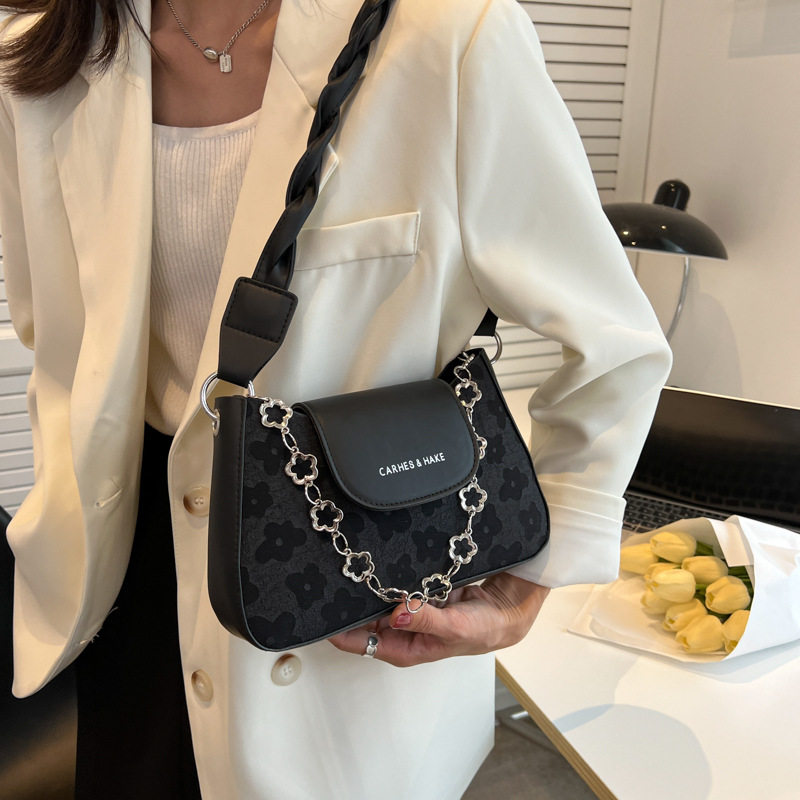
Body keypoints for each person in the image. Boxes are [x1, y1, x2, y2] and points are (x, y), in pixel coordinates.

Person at [0, 0, 672, 797]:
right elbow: (52, 330)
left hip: (349, 591)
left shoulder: (446, 36)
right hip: (124, 590)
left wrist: (533, 576)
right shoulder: (40, 55)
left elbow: (614, 343)